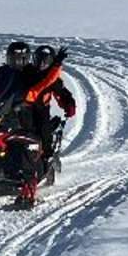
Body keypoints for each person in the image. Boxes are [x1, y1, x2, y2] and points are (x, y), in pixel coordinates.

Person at [18, 45, 76, 197]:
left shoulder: (53, 78)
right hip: (20, 109)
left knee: (43, 133)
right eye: (40, 60)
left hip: (40, 111)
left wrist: (68, 104)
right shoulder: (28, 72)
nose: (42, 63)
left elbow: (61, 93)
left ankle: (46, 159)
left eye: (46, 61)